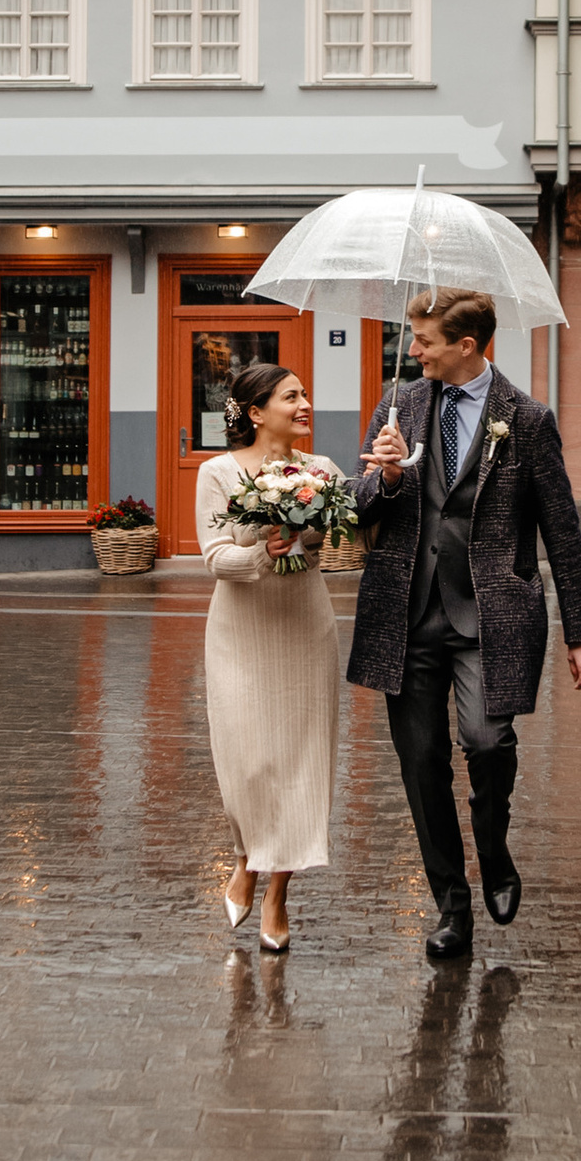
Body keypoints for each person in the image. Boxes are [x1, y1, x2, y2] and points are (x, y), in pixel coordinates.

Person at [349, 287, 581, 964]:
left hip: (491, 611)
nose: (413, 350)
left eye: (426, 340)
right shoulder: (398, 404)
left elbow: (563, 529)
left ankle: (493, 847)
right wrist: (390, 476)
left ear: (467, 346)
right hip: (405, 611)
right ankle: (450, 905)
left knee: (487, 741)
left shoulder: (525, 418)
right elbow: (360, 502)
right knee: (420, 761)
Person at [196, 362, 341, 955]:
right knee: (247, 760)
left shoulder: (323, 472)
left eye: (305, 393)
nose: (305, 404)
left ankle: (278, 893)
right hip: (240, 630)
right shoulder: (218, 472)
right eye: (291, 396)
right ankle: (243, 855)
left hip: (306, 623)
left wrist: (308, 537)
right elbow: (213, 556)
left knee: (301, 761)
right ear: (256, 413)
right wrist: (262, 549)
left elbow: (344, 539)